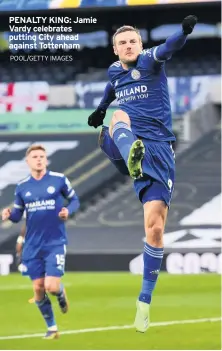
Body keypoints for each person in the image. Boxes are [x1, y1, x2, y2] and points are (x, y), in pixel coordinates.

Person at [87, 15, 197, 333]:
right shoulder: (113, 71)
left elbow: (170, 47)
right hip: (130, 136)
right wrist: (101, 107)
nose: (128, 45)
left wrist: (184, 30)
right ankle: (128, 159)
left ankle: (144, 303)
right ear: (115, 50)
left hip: (160, 150)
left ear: (140, 44)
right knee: (118, 116)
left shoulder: (150, 60)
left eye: (133, 40)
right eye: (122, 42)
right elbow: (112, 85)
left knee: (155, 230)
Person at [1, 144, 80, 339]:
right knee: (38, 287)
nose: (39, 159)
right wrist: (9, 215)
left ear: (46, 159)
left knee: (51, 287)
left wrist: (67, 211)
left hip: (54, 242)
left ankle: (60, 293)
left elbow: (75, 200)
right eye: (35, 156)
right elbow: (18, 215)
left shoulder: (59, 180)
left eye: (42, 156)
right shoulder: (22, 187)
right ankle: (52, 328)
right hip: (32, 245)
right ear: (27, 161)